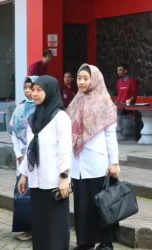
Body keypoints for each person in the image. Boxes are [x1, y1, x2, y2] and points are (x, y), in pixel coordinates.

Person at [66, 64, 120, 250]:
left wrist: (114, 162)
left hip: (98, 163)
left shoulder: (104, 102)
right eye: (79, 78)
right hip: (78, 163)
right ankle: (85, 241)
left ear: (94, 79)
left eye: (85, 78)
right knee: (82, 204)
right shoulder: (76, 101)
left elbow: (110, 135)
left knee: (101, 204)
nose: (81, 82)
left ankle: (106, 242)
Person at [18, 75, 72, 250]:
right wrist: (24, 174)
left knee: (56, 226)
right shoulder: (33, 118)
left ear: (50, 91)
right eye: (33, 90)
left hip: (55, 182)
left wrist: (64, 176)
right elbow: (29, 149)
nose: (34, 93)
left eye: (39, 90)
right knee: (40, 225)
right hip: (36, 180)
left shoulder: (60, 117)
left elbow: (65, 149)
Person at [10, 76, 38, 241]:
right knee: (23, 193)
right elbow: (14, 134)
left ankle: (38, 228)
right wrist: (20, 156)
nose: (28, 91)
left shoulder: (42, 108)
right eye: (26, 87)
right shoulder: (19, 109)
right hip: (22, 160)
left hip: (37, 159)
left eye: (32, 87)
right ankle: (26, 228)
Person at [115, 63, 143, 141]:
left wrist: (129, 101)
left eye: (120, 70)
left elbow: (134, 95)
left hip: (130, 105)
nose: (118, 72)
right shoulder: (118, 82)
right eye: (117, 70)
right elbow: (119, 95)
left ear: (125, 71)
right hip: (120, 105)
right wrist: (115, 103)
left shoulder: (131, 81)